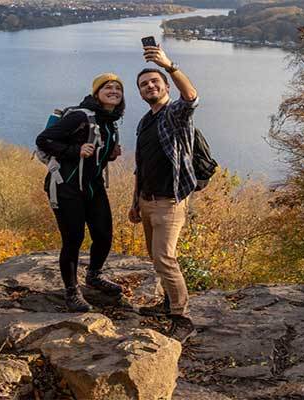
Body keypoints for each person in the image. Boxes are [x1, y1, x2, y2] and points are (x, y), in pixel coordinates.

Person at [36, 73, 125, 312]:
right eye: (108, 87)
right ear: (97, 93)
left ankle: (94, 275)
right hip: (66, 186)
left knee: (104, 234)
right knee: (73, 239)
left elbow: (95, 155)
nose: (114, 91)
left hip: (93, 186)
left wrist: (110, 154)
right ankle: (72, 291)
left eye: (118, 88)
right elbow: (43, 140)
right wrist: (75, 150)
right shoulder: (80, 116)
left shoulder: (110, 121)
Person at [128, 45, 198, 343]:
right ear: (140, 92)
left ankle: (182, 318)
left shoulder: (174, 115)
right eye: (144, 84)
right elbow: (141, 166)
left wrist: (169, 65)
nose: (150, 86)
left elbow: (191, 98)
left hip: (170, 202)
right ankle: (168, 303)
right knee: (157, 259)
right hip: (147, 201)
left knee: (165, 258)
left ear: (166, 86)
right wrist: (135, 202)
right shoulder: (145, 122)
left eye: (155, 81)